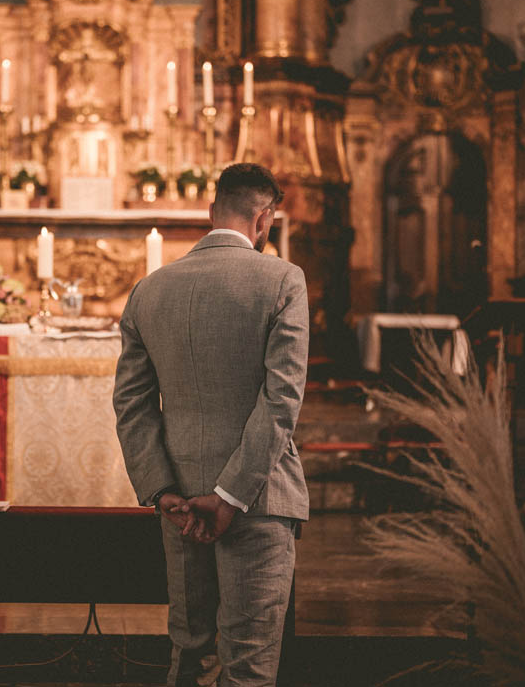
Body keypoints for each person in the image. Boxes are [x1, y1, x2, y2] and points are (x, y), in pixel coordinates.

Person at [113, 163, 310, 686]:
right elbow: (282, 398)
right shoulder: (283, 279)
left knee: (189, 655)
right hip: (258, 499)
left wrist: (163, 491)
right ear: (264, 219)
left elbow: (131, 403)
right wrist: (230, 495)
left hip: (180, 506)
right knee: (247, 664)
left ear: (211, 211)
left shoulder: (149, 290)